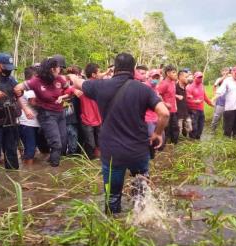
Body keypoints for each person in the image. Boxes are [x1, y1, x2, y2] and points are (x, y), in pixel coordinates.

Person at [68, 53, 169, 214]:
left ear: (114, 68)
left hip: (112, 152)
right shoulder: (144, 89)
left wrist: (71, 76)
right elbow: (164, 113)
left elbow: (78, 82)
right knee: (141, 193)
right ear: (134, 69)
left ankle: (114, 228)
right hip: (138, 150)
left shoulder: (100, 86)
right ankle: (142, 222)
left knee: (113, 196)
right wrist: (157, 133)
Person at [14, 57, 69, 167]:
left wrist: (64, 96)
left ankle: (50, 163)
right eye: (59, 68)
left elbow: (68, 89)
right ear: (52, 69)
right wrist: (26, 108)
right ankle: (54, 171)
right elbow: (17, 88)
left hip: (60, 113)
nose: (60, 70)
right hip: (47, 115)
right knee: (56, 144)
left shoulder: (60, 79)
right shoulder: (36, 81)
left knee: (63, 143)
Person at [67, 63, 102, 159]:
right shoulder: (83, 86)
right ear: (94, 74)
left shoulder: (100, 85)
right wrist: (74, 90)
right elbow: (68, 87)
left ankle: (94, 164)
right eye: (99, 72)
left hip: (98, 120)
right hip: (87, 120)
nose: (101, 74)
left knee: (98, 144)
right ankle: (91, 163)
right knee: (91, 144)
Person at [211, 66, 236, 137]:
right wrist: (214, 98)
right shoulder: (227, 80)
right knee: (228, 127)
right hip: (229, 108)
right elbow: (220, 91)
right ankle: (227, 141)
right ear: (232, 73)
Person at [18, 66, 41, 165]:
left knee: (31, 148)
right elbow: (34, 102)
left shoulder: (26, 87)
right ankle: (28, 173)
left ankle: (28, 168)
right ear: (33, 76)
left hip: (30, 122)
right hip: (28, 123)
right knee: (30, 149)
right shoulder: (30, 89)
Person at [186, 71, 212, 139]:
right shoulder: (189, 87)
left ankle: (197, 140)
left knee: (201, 126)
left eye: (201, 77)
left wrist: (210, 103)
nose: (200, 79)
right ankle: (192, 141)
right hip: (193, 110)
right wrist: (194, 101)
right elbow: (186, 99)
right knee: (194, 127)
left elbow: (204, 96)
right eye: (198, 77)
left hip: (201, 110)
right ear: (194, 78)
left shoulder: (202, 85)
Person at [157, 64, 179, 144]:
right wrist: (165, 104)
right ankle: (163, 146)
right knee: (166, 130)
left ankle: (174, 145)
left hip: (173, 110)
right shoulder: (164, 84)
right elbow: (157, 94)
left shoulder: (173, 82)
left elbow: (172, 95)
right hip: (166, 111)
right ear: (168, 73)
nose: (175, 74)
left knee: (175, 128)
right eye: (173, 72)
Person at [210, 67, 230, 134]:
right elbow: (216, 85)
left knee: (227, 118)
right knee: (216, 116)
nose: (225, 72)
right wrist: (225, 76)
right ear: (221, 72)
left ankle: (225, 131)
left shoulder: (231, 78)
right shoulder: (219, 79)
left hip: (229, 102)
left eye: (226, 71)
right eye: (223, 71)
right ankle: (212, 130)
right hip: (220, 101)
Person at [176, 70, 192, 137]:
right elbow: (168, 95)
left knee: (189, 129)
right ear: (180, 77)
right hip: (178, 112)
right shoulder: (175, 86)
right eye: (186, 77)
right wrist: (176, 96)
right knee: (179, 130)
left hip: (186, 111)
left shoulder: (186, 86)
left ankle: (187, 141)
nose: (187, 78)